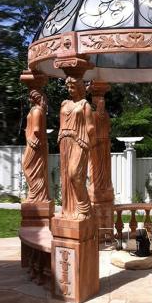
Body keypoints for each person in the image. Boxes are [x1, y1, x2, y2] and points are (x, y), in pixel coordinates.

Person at [58, 77, 96, 220]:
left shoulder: (85, 105)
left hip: (79, 141)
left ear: (80, 88)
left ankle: (84, 208)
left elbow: (90, 127)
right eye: (68, 87)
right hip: (64, 141)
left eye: (72, 87)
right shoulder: (64, 103)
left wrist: (89, 144)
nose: (69, 90)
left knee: (75, 175)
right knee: (66, 178)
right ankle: (69, 210)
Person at [22, 89, 49, 202]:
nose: (29, 99)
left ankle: (36, 194)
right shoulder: (35, 109)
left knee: (27, 167)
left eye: (31, 97)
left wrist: (30, 137)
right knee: (34, 168)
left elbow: (36, 129)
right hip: (32, 141)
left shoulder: (37, 111)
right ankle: (36, 194)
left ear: (35, 98)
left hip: (34, 143)